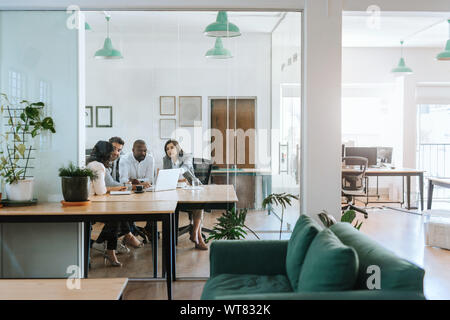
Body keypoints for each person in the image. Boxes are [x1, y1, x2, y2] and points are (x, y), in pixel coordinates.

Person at [87, 140, 142, 267]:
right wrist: (119, 188)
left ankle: (111, 248)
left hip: (92, 202)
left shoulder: (92, 164)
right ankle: (111, 247)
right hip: (92, 206)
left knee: (117, 214)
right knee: (116, 215)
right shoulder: (98, 166)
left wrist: (117, 188)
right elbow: (101, 191)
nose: (114, 154)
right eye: (112, 151)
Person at [163, 139, 208, 250]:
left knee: (199, 204)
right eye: (167, 149)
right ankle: (197, 237)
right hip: (175, 190)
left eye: (172, 147)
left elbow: (185, 168)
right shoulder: (166, 160)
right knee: (197, 205)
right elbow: (166, 175)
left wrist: (175, 161)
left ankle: (196, 234)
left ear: (178, 148)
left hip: (190, 187)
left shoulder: (187, 156)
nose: (169, 150)